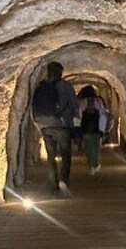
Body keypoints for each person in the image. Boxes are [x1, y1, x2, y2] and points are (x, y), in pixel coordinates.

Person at [31, 62, 78, 197]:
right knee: (65, 154)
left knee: (51, 156)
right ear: (60, 72)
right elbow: (74, 105)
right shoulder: (66, 86)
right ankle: (64, 182)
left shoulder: (41, 86)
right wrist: (73, 124)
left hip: (45, 125)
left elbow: (33, 106)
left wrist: (38, 125)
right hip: (61, 125)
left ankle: (53, 185)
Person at [77, 85, 109, 175]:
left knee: (88, 147)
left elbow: (79, 115)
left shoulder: (82, 101)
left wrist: (78, 128)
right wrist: (102, 129)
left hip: (85, 127)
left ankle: (91, 165)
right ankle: (96, 164)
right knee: (96, 147)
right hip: (96, 127)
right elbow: (103, 114)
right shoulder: (98, 101)